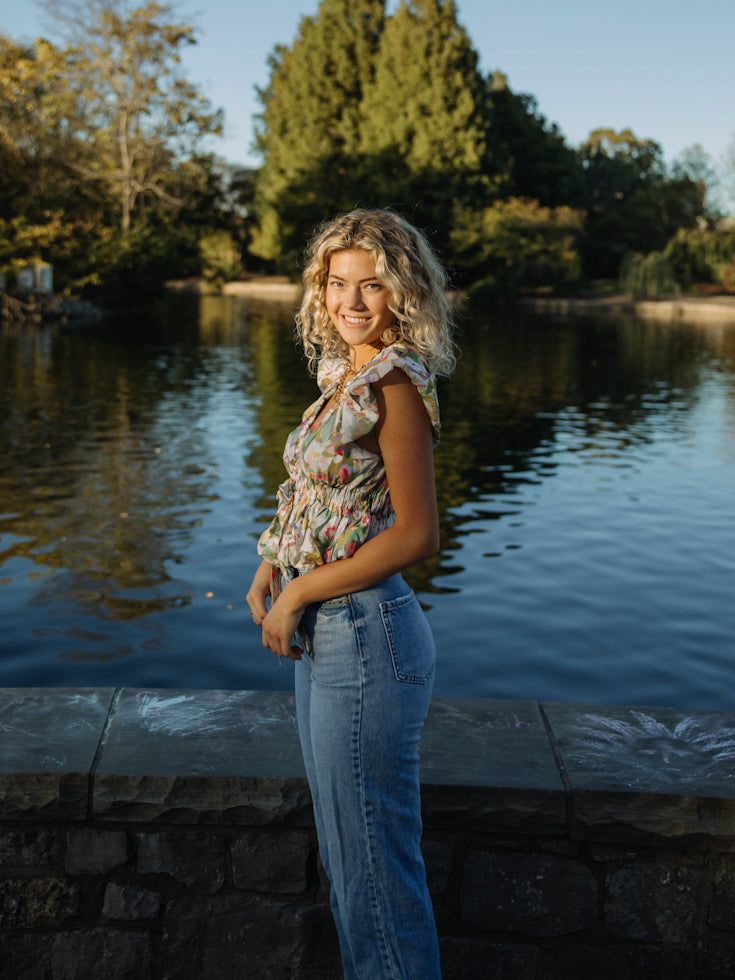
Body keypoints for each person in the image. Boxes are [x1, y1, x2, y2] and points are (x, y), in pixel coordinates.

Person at [246, 208, 455, 979]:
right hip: (334, 634)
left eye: (372, 285)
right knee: (348, 860)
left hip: (364, 636)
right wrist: (273, 563)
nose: (351, 302)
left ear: (404, 292)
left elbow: (414, 534)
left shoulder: (395, 381)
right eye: (337, 284)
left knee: (373, 874)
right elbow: (319, 496)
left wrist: (300, 595)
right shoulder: (346, 376)